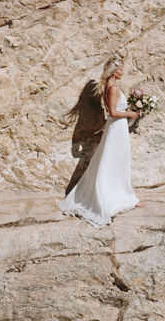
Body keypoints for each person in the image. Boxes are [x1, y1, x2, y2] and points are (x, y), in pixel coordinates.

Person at [58, 57, 140, 225]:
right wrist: (131, 114)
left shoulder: (110, 87)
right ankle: (107, 198)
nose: (123, 71)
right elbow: (113, 113)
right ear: (114, 71)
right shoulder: (112, 88)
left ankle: (122, 194)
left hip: (117, 129)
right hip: (116, 128)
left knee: (116, 161)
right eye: (121, 68)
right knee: (111, 161)